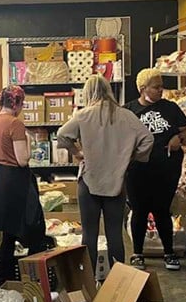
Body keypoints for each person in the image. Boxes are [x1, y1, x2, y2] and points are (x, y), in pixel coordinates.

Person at [57, 75, 153, 271]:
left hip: (89, 181)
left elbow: (62, 135)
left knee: (89, 235)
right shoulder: (126, 115)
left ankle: (89, 284)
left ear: (87, 92)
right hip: (116, 182)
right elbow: (148, 139)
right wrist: (131, 157)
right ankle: (118, 285)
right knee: (114, 235)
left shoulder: (83, 115)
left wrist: (77, 153)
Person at [125, 68, 186, 271]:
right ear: (142, 88)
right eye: (156, 87)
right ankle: (137, 253)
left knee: (162, 211)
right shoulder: (128, 111)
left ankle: (169, 252)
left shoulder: (171, 108)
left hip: (166, 169)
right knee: (139, 211)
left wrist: (179, 138)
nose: (161, 90)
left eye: (161, 86)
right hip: (137, 170)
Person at [0, 85, 47, 279]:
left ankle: (6, 278)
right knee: (35, 231)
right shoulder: (15, 124)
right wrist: (29, 140)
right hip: (16, 183)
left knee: (9, 234)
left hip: (0, 178)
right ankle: (34, 278)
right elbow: (23, 159)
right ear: (17, 103)